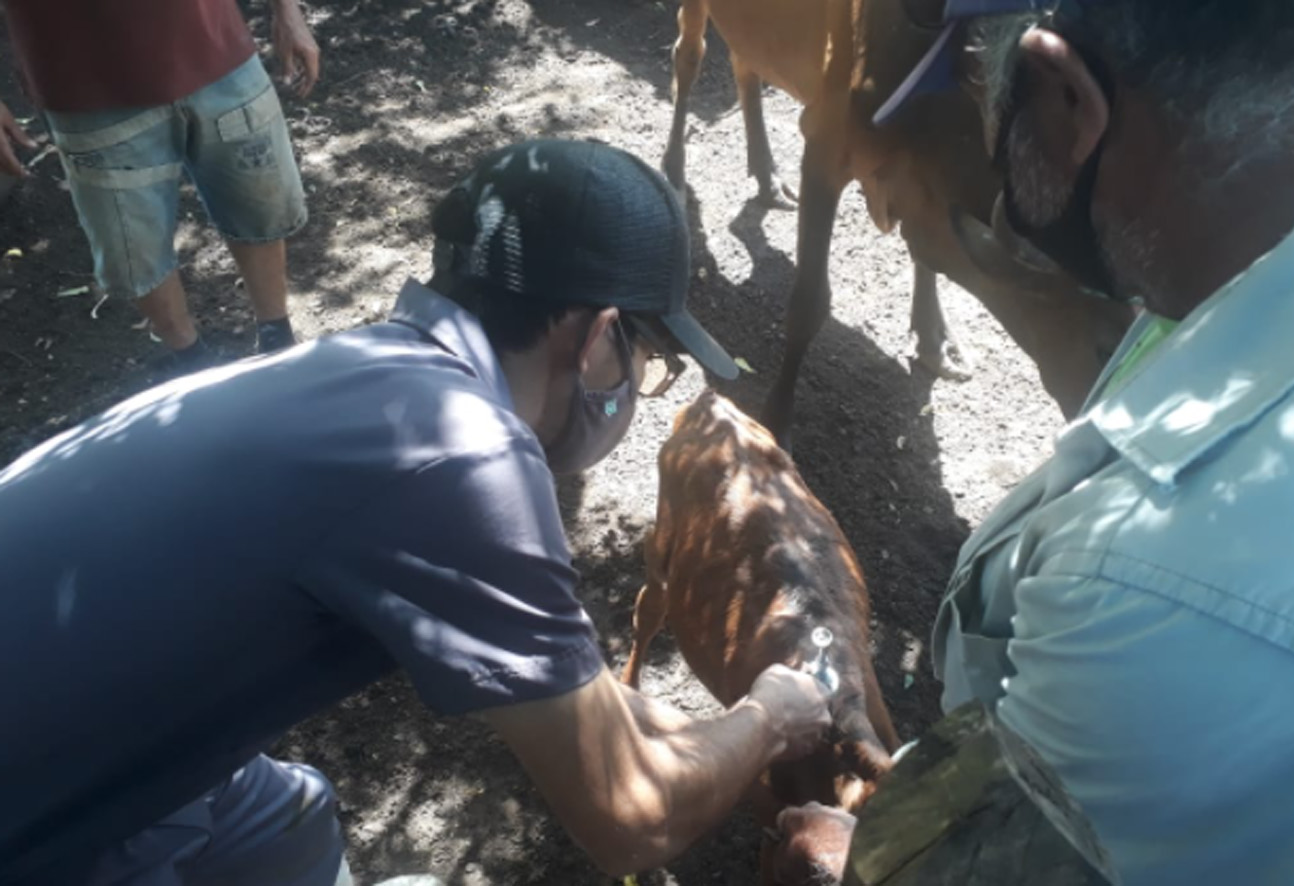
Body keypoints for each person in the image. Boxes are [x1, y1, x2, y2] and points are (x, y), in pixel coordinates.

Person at [0, 138, 832, 886]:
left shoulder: (377, 379)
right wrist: (766, 716)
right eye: (646, 360)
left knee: (284, 823)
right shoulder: (463, 455)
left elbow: (583, 707)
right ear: (595, 335)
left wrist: (705, 731)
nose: (634, 389)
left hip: (90, 743)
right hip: (43, 818)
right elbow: (632, 820)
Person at [775, 1, 1294, 883]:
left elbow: (991, 862)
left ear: (1067, 97)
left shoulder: (1140, 581)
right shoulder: (1215, 295)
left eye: (982, 89)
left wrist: (852, 857)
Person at [0, 0, 322, 369]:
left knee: (260, 204)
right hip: (82, 84)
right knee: (135, 252)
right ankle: (192, 364)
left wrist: (287, 11)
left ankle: (278, 342)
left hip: (218, 48)